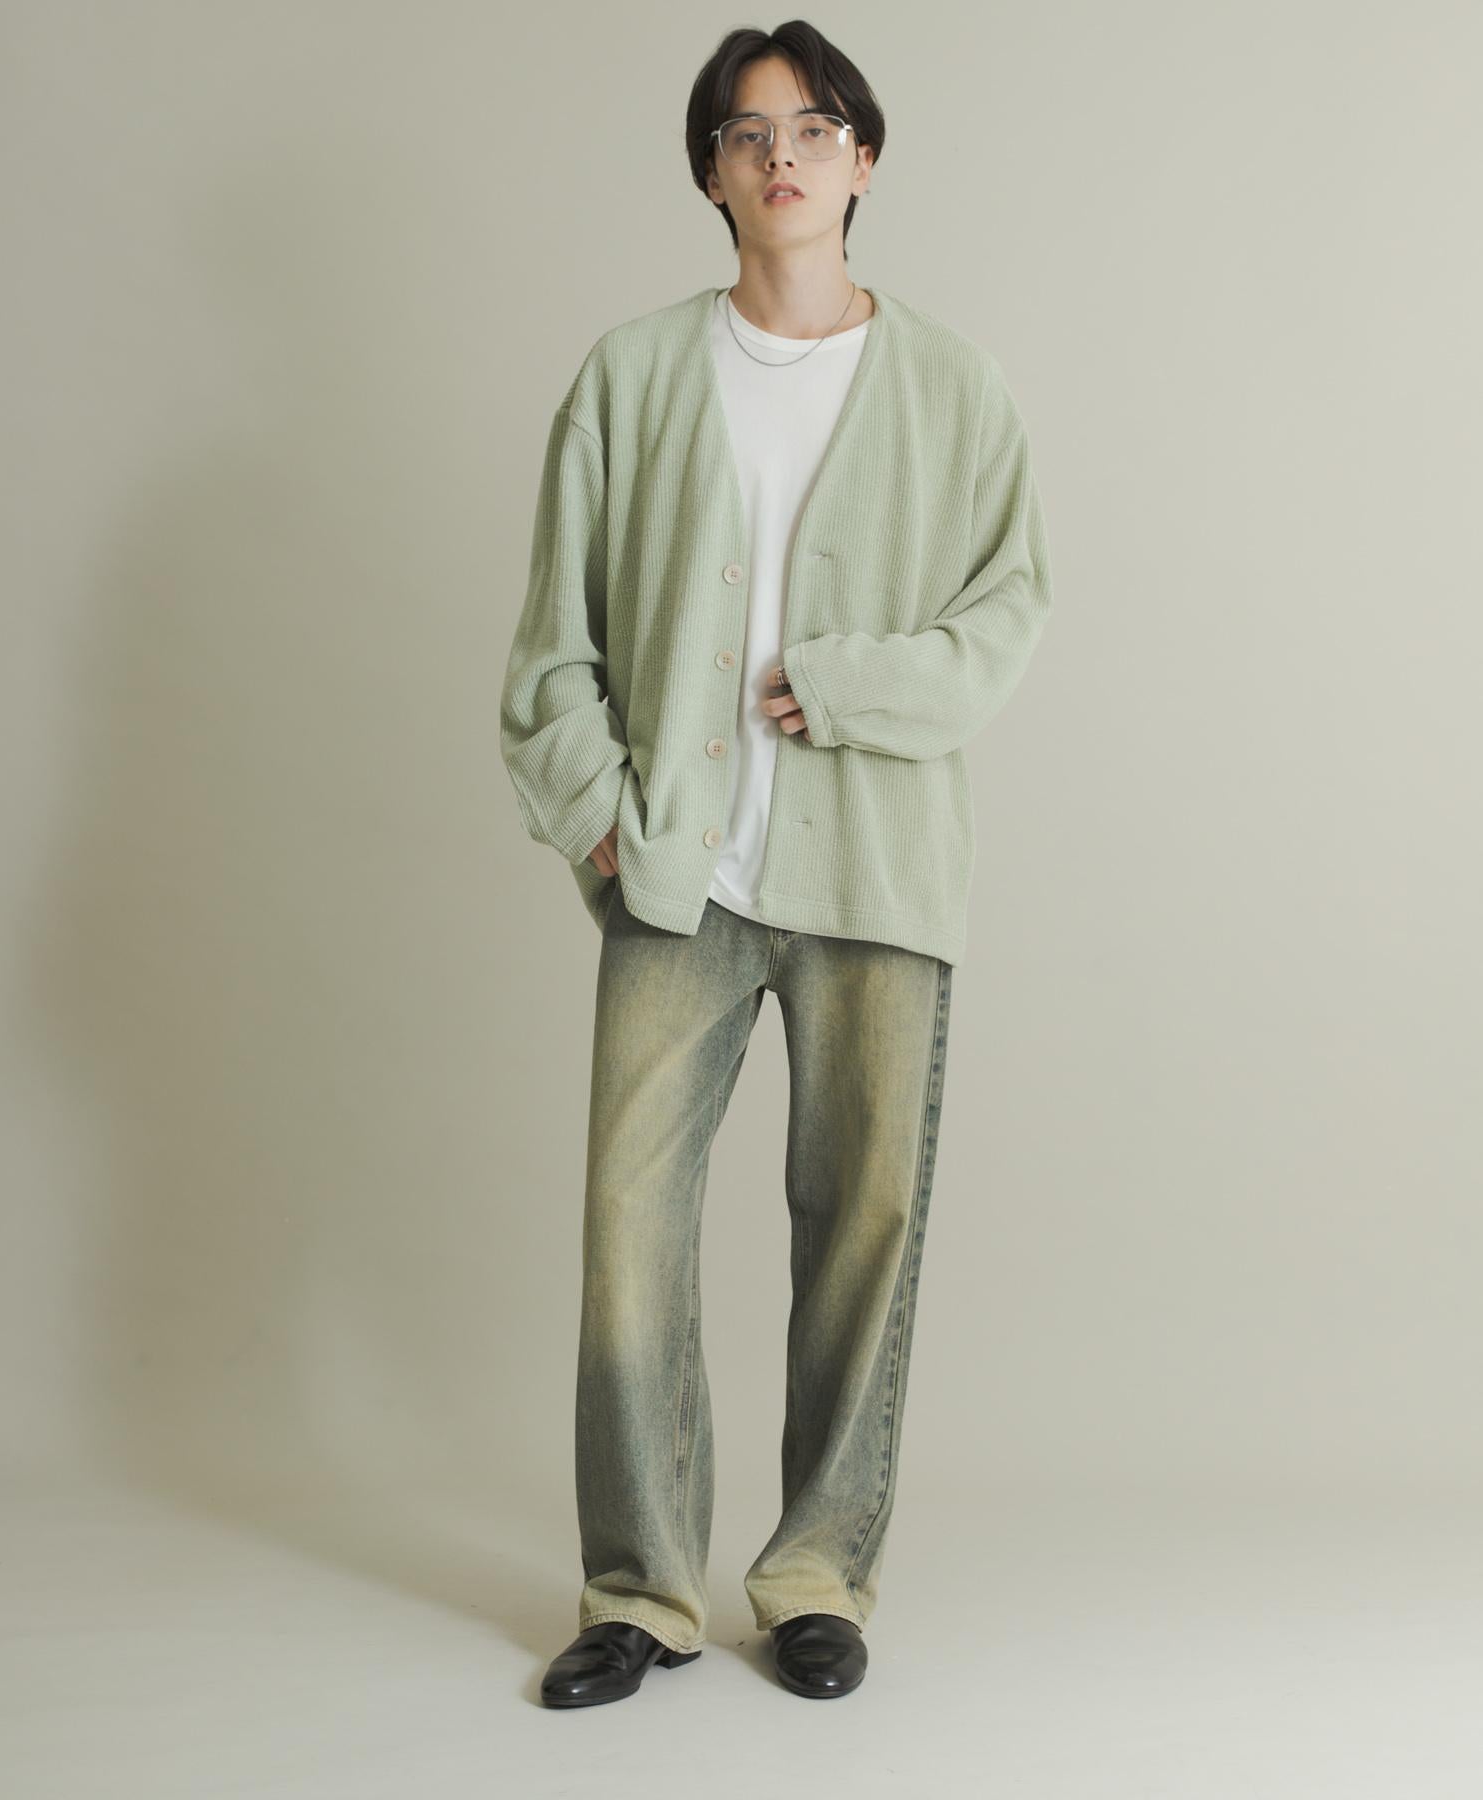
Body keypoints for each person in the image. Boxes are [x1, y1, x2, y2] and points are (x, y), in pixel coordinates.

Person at [499, 19, 1054, 1706]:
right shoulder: (629, 376)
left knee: (864, 1222)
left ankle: (817, 1576)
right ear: (712, 175)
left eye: (815, 128)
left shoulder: (956, 387)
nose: (784, 156)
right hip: (680, 876)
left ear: (863, 159)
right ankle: (639, 1591)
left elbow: (1006, 618)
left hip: (877, 871)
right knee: (628, 1228)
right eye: (749, 134)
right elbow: (549, 654)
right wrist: (600, 814)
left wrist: (854, 683)